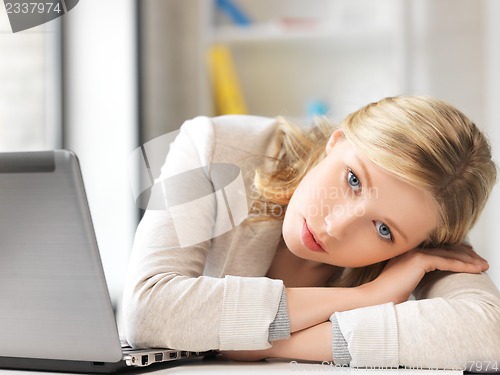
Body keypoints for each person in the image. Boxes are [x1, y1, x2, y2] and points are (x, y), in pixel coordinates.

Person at [122, 96, 500, 370]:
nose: (336, 225)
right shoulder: (217, 147)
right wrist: (368, 296)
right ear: (335, 143)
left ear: (416, 245)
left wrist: (273, 344)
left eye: (383, 230)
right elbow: (148, 311)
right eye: (353, 179)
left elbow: (489, 337)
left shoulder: (428, 233)